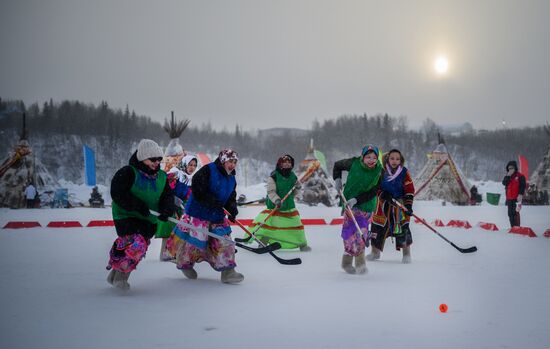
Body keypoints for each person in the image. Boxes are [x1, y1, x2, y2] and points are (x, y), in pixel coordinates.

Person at [106, 139, 176, 290]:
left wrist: (166, 210)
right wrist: (137, 206)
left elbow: (167, 197)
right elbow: (117, 193)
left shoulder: (162, 177)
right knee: (136, 244)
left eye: (159, 159)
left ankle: (115, 275)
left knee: (140, 247)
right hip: (126, 215)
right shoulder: (128, 172)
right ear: (142, 158)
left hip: (148, 218)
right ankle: (121, 278)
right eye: (152, 159)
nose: (156, 162)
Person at [171, 149, 243, 284]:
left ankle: (228, 272)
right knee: (194, 244)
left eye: (235, 162)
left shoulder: (232, 177)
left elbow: (231, 196)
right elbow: (198, 189)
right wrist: (211, 201)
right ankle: (185, 264)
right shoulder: (208, 170)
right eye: (230, 161)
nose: (232, 164)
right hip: (198, 213)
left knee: (225, 242)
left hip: (217, 215)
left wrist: (232, 209)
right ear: (222, 160)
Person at [333, 145, 382, 274]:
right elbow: (337, 165)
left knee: (361, 233)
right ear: (362, 157)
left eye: (374, 158)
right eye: (368, 157)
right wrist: (337, 179)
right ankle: (347, 263)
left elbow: (373, 192)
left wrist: (356, 200)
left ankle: (360, 264)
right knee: (350, 233)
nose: (371, 160)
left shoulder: (379, 171)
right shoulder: (353, 163)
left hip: (366, 205)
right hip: (349, 204)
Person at [250, 154, 311, 251]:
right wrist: (277, 200)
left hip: (288, 206)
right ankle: (263, 242)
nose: (287, 164)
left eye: (289, 162)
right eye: (285, 162)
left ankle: (302, 244)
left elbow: (295, 192)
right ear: (280, 164)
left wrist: (298, 188)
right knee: (270, 225)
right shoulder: (274, 176)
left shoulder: (293, 177)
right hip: (275, 205)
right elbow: (271, 191)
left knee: (296, 224)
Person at [368, 149, 415, 263]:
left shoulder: (404, 172)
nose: (395, 161)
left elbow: (410, 189)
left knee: (403, 228)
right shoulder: (381, 171)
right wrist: (382, 193)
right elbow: (374, 187)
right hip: (382, 205)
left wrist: (408, 205)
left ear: (401, 160)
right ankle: (375, 252)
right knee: (377, 228)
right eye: (392, 158)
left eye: (397, 159)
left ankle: (406, 254)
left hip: (399, 205)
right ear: (388, 159)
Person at [162, 155, 199, 261]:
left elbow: (188, 194)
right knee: (168, 230)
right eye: (190, 165)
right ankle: (165, 255)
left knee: (180, 230)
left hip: (179, 207)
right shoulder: (175, 173)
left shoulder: (190, 178)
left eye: (194, 165)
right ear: (184, 164)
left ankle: (174, 253)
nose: (192, 167)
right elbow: (165, 188)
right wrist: (173, 198)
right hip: (168, 206)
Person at [502, 160, 526, 227]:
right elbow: (504, 183)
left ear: (515, 168)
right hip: (509, 198)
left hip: (517, 198)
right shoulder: (507, 176)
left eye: (512, 168)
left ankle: (517, 227)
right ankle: (512, 227)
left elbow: (522, 186)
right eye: (509, 168)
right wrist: (508, 176)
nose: (510, 169)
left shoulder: (520, 176)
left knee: (515, 213)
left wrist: (520, 194)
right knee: (510, 214)